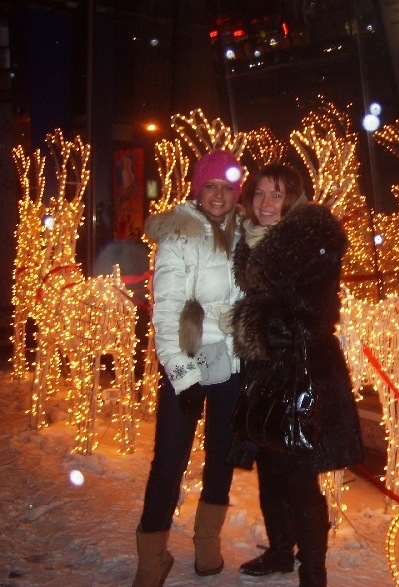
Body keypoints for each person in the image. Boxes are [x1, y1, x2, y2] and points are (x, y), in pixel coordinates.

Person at [229, 163, 365, 587]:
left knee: (299, 476)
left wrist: (251, 324)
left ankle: (313, 572)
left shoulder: (311, 242)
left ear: (295, 199)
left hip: (304, 376)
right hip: (266, 374)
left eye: (277, 194)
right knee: (269, 467)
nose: (266, 203)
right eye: (259, 194)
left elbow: (314, 319)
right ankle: (279, 551)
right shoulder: (250, 243)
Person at [132, 150, 244, 586]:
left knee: (221, 455)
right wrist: (182, 374)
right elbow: (165, 313)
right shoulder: (179, 234)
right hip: (188, 359)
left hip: (233, 364)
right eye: (210, 186)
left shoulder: (244, 234)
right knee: (169, 459)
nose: (218, 195)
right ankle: (151, 557)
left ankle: (207, 541)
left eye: (227, 188)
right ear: (198, 189)